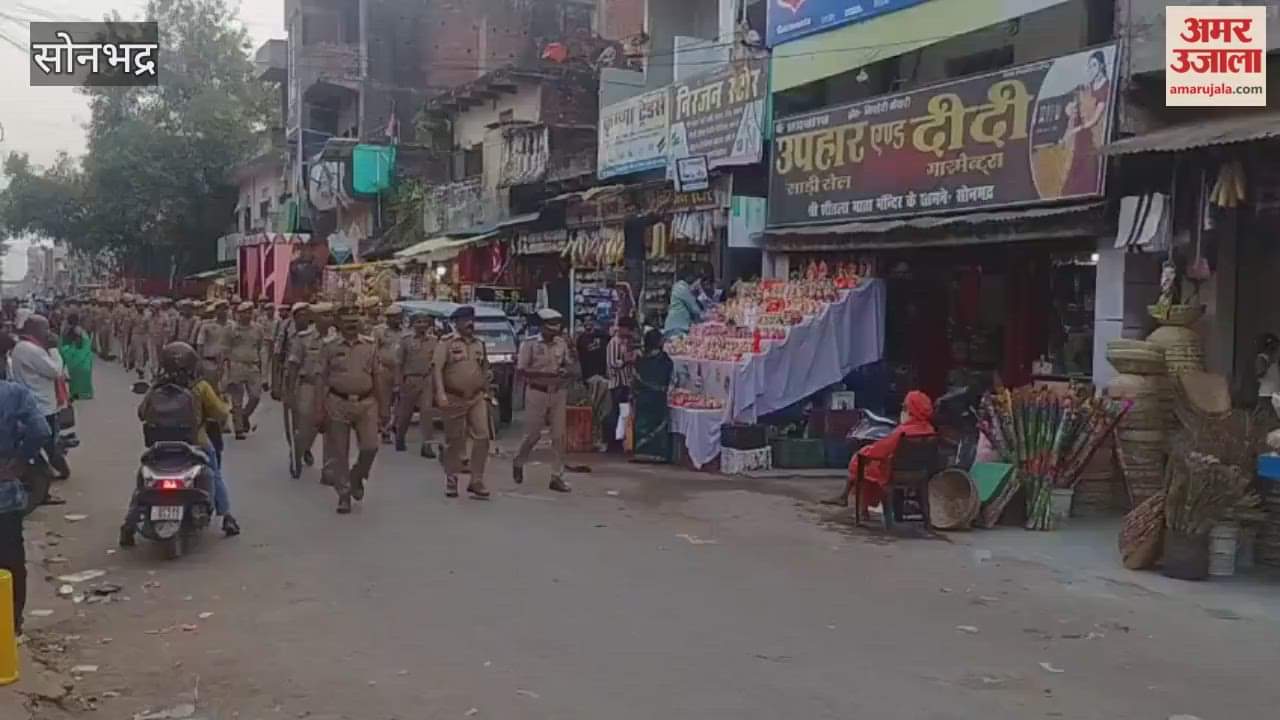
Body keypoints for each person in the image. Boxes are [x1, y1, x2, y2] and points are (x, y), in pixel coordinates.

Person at [125, 342, 239, 543]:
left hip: (159, 446)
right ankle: (227, 516)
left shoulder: (157, 387)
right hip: (195, 444)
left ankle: (128, 525)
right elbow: (220, 413)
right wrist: (226, 406)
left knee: (143, 480)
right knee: (215, 473)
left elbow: (141, 413)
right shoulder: (200, 387)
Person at [318, 305, 387, 514]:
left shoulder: (369, 345)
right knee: (340, 452)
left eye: (354, 322)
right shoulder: (329, 346)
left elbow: (378, 377)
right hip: (337, 402)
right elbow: (321, 379)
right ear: (339, 324)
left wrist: (384, 408)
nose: (351, 326)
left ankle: (357, 476)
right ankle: (344, 494)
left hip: (366, 403)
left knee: (370, 446)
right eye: (347, 323)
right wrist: (318, 409)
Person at [822, 390, 937, 511]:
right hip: (920, 474)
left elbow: (880, 450)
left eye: (904, 407)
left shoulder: (902, 432)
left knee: (861, 462)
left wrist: (864, 451)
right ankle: (848, 498)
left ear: (912, 410)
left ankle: (859, 506)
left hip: (891, 473)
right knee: (863, 461)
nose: (902, 411)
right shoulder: (930, 431)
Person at [0, 380, 52, 637]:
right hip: (4, 493)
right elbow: (41, 430)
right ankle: (12, 625)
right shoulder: (13, 393)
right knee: (10, 558)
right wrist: (20, 462)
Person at [513, 308, 576, 492]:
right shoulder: (530, 344)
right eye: (550, 326)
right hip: (536, 391)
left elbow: (569, 364)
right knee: (533, 435)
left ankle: (556, 476)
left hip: (557, 392)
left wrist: (566, 370)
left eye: (557, 326)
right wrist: (543, 373)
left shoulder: (561, 343)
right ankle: (519, 461)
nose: (554, 330)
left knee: (559, 436)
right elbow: (521, 370)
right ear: (542, 327)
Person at [433, 306, 492, 500]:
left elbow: (484, 369)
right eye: (465, 320)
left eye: (472, 319)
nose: (470, 323)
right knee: (455, 440)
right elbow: (437, 370)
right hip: (454, 397)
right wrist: (440, 394)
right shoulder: (447, 343)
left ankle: (476, 480)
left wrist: (486, 390)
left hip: (475, 397)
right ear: (456, 322)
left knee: (482, 436)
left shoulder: (479, 344)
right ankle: (451, 478)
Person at [9, 315, 71, 482]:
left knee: (48, 442)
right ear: (34, 329)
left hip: (41, 401)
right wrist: (54, 349)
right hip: (40, 404)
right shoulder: (30, 349)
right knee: (48, 443)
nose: (48, 333)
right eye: (46, 328)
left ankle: (50, 473)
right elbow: (55, 371)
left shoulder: (28, 347)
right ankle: (55, 473)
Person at [285, 303, 325, 472]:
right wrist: (288, 391)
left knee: (319, 425)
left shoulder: (336, 338)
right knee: (304, 424)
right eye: (323, 315)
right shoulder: (303, 338)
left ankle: (305, 447)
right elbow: (292, 365)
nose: (327, 319)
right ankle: (297, 453)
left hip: (329, 387)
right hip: (308, 384)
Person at [395, 312, 438, 457]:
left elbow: (436, 363)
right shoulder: (406, 341)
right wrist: (399, 383)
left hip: (426, 379)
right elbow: (399, 363)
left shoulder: (434, 341)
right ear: (413, 325)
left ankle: (427, 446)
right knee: (405, 414)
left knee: (427, 413)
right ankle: (400, 437)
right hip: (410, 380)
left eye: (424, 322)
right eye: (418, 322)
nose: (422, 325)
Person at [631, 329, 673, 462]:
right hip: (658, 400)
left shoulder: (640, 360)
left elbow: (635, 380)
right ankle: (658, 454)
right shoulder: (665, 360)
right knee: (657, 424)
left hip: (643, 399)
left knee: (643, 425)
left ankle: (641, 452)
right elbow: (668, 377)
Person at [225, 302, 266, 439]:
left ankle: (244, 415)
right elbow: (226, 347)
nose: (247, 315)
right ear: (238, 314)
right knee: (237, 399)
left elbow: (261, 347)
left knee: (255, 396)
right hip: (236, 365)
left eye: (249, 312)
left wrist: (262, 368)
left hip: (252, 365)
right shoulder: (232, 329)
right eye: (243, 312)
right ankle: (239, 429)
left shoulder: (258, 329)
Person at [575, 315, 611, 452]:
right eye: (586, 322)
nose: (589, 324)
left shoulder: (603, 336)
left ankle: (600, 439)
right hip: (589, 379)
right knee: (592, 410)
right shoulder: (581, 339)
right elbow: (579, 358)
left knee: (602, 410)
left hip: (603, 377)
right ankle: (592, 439)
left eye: (591, 322)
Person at [374, 304, 405, 444]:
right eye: (395, 318)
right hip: (384, 370)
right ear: (388, 318)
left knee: (401, 401)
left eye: (400, 317)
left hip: (401, 371)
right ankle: (385, 430)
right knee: (384, 402)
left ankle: (396, 426)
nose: (398, 320)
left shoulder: (405, 332)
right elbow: (373, 351)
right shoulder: (379, 331)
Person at [606, 317, 638, 449]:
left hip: (626, 383)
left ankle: (621, 439)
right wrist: (626, 360)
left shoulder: (626, 342)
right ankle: (612, 442)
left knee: (624, 413)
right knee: (616, 412)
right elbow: (613, 363)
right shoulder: (614, 343)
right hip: (617, 384)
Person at [60, 312, 94, 401]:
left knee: (74, 376)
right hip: (82, 355)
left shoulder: (66, 329)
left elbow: (63, 341)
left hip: (72, 355)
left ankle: (74, 393)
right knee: (84, 375)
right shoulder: (79, 330)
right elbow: (86, 341)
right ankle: (85, 393)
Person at [663, 267, 705, 338]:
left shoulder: (686, 289)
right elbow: (695, 309)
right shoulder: (680, 287)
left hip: (682, 327)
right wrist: (700, 292)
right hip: (676, 327)